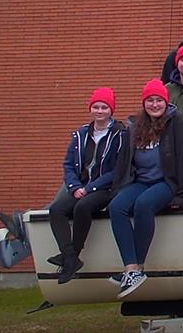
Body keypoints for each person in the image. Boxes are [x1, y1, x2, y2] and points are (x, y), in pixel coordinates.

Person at [108, 79, 183, 299]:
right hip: (140, 181)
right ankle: (131, 267)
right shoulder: (135, 126)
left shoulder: (177, 123)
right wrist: (119, 187)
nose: (154, 105)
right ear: (144, 103)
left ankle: (138, 267)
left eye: (158, 100)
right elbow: (125, 160)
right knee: (117, 207)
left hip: (166, 181)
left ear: (166, 101)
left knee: (144, 205)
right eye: (150, 100)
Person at [48, 88, 124, 284]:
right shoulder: (81, 134)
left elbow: (116, 169)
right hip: (80, 185)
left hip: (105, 187)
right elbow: (68, 164)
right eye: (96, 107)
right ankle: (70, 257)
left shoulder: (119, 133)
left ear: (111, 110)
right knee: (56, 209)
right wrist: (74, 186)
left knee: (83, 207)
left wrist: (89, 189)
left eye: (104, 107)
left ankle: (73, 252)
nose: (99, 111)